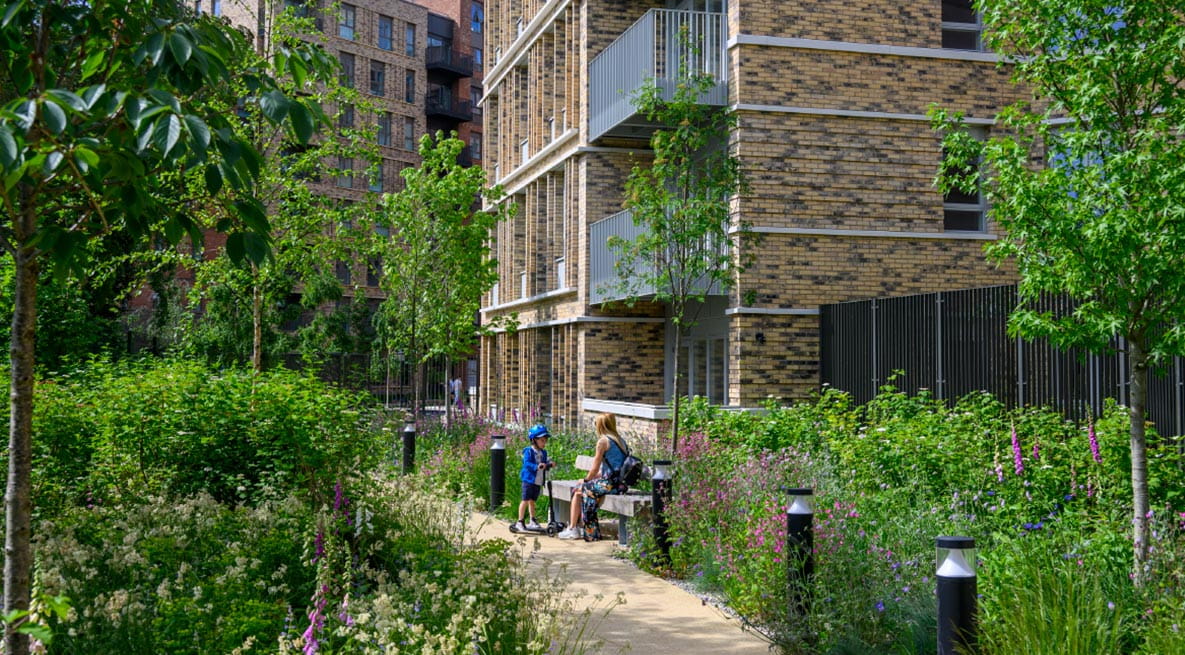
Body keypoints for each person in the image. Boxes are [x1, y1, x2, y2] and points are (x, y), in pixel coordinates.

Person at [557, 413, 629, 541]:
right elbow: (610, 469)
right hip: (620, 484)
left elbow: (595, 468)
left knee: (579, 489)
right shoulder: (620, 440)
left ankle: (575, 529)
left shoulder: (603, 441)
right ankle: (578, 527)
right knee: (580, 492)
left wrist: (585, 480)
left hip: (609, 484)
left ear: (601, 425)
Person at [512, 424, 554, 532]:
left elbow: (544, 463)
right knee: (525, 500)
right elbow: (526, 464)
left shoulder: (543, 452)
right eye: (542, 441)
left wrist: (549, 463)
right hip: (528, 479)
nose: (544, 443)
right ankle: (520, 522)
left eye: (545, 441)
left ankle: (532, 520)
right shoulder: (528, 451)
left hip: (538, 480)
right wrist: (537, 466)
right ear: (534, 440)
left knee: (532, 501)